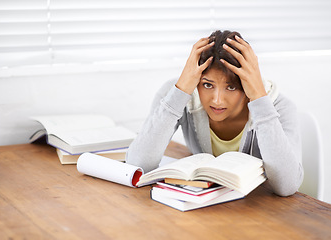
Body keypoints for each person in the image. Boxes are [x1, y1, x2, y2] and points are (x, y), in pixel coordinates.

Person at [126, 30, 304, 197]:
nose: (217, 100)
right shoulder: (180, 94)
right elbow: (138, 165)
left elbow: (287, 186)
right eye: (207, 85)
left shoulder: (278, 107)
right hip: (204, 205)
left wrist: (258, 98)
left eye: (231, 87)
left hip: (258, 210)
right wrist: (181, 91)